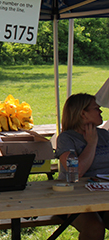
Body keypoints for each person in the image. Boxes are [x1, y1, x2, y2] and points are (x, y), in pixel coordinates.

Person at [55, 93, 109, 240]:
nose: (101, 111)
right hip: (75, 197)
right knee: (94, 228)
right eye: (96, 108)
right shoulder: (67, 138)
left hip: (104, 196)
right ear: (82, 113)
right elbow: (76, 172)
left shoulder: (104, 135)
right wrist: (91, 143)